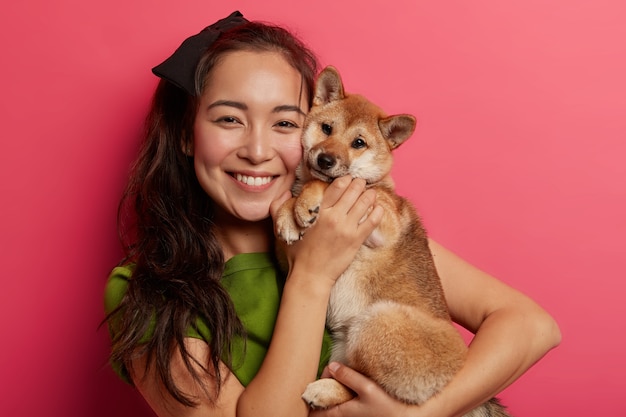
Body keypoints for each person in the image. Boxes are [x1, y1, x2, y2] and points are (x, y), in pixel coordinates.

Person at [104, 11, 561, 417]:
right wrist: (313, 274)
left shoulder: (355, 227)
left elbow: (531, 325)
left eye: (285, 123)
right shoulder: (145, 295)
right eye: (229, 119)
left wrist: (422, 413)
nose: (258, 150)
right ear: (186, 135)